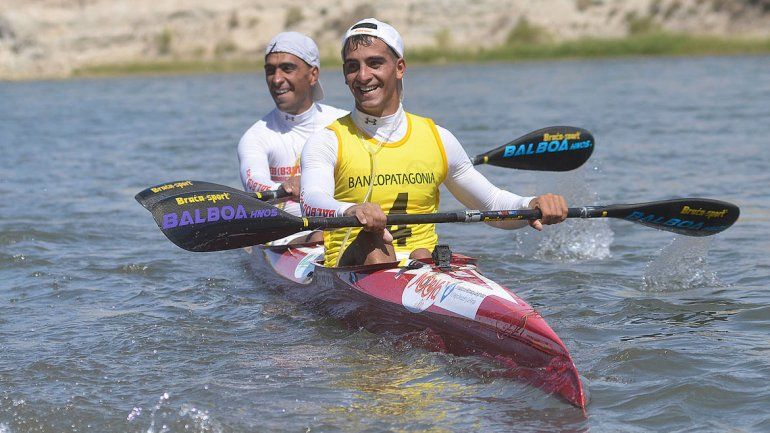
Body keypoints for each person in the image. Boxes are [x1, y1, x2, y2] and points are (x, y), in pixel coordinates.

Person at [300, 19, 568, 266]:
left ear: (400, 68)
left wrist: (531, 205)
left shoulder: (438, 138)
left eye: (375, 63)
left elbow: (491, 203)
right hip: (352, 266)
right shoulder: (328, 140)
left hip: (421, 267)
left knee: (422, 254)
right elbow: (311, 201)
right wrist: (351, 209)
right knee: (373, 242)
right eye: (352, 66)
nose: (363, 76)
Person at [237, 31, 347, 244]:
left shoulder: (342, 123)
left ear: (313, 75)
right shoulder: (256, 137)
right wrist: (283, 189)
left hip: (340, 226)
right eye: (270, 71)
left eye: (287, 69)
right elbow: (253, 182)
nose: (277, 79)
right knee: (320, 237)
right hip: (286, 236)